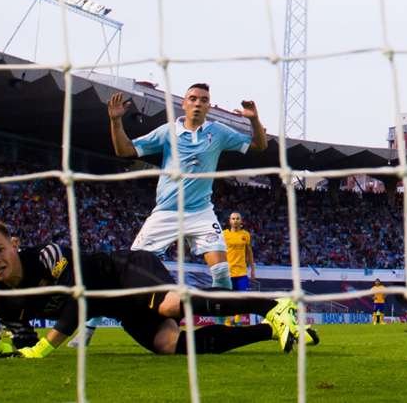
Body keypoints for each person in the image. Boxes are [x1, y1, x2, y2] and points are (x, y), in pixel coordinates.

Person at [68, 83, 268, 347]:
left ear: (209, 106)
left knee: (221, 270)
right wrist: (116, 121)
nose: (198, 103)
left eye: (204, 100)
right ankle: (88, 329)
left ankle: (222, 326)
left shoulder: (218, 132)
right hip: (165, 213)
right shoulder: (167, 133)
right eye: (193, 98)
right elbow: (124, 150)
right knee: (124, 272)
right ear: (184, 104)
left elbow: (258, 146)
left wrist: (254, 120)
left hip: (200, 212)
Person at [0, 221, 319, 359]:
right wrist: (10, 344)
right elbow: (24, 345)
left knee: (168, 307)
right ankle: (269, 330)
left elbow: (80, 300)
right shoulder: (3, 305)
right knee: (168, 345)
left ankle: (273, 304)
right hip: (120, 308)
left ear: (13, 245)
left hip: (125, 271)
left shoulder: (47, 256)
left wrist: (45, 346)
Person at [223, 212, 255, 326]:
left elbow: (249, 252)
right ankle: (227, 322)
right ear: (229, 221)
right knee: (228, 299)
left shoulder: (245, 235)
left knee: (242, 298)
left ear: (241, 221)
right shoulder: (224, 235)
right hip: (228, 273)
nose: (235, 220)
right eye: (233, 218)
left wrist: (253, 269)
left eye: (237, 218)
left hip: (242, 272)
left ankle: (237, 321)